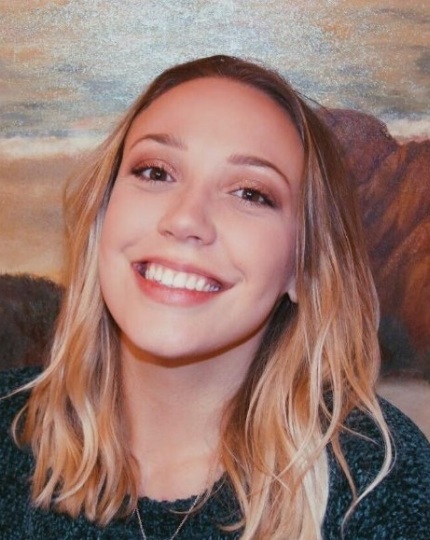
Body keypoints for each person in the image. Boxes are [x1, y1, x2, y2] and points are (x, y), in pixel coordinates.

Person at [0, 55, 429, 540]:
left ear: (303, 267)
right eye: (156, 172)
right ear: (103, 214)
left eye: (250, 193)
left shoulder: (379, 484)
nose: (186, 220)